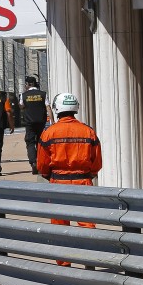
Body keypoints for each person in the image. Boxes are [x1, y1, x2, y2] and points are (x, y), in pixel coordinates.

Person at [37, 93, 103, 267]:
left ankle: (64, 265)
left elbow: (42, 164)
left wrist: (49, 176)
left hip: (58, 184)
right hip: (83, 183)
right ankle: (89, 261)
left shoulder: (49, 132)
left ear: (57, 108)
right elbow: (97, 162)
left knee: (60, 226)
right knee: (87, 223)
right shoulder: (88, 131)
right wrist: (88, 174)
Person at [20, 75, 51, 175]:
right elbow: (48, 108)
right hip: (41, 122)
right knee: (40, 142)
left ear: (28, 84)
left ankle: (33, 162)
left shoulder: (24, 95)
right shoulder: (43, 94)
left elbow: (21, 106)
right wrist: (52, 121)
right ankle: (41, 163)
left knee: (30, 142)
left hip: (29, 122)